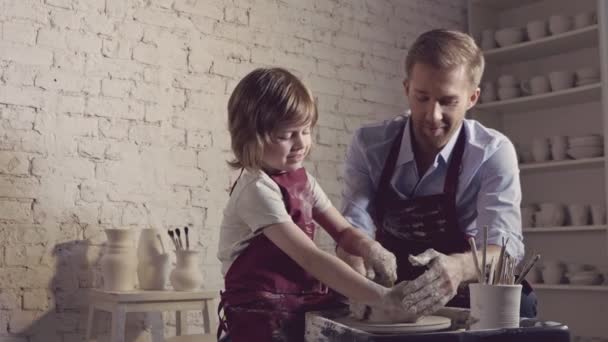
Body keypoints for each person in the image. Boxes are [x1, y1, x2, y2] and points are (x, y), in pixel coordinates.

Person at [216, 67, 432, 342]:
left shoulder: (303, 182)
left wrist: (373, 249)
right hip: (257, 316)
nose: (300, 144)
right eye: (286, 135)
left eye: (305, 131)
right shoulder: (256, 189)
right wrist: (383, 298)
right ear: (250, 136)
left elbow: (343, 232)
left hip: (294, 304)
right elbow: (310, 257)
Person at [338, 29, 537, 317]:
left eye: (447, 101)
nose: (433, 115)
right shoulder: (370, 145)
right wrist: (358, 283)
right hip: (393, 283)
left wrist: (458, 268)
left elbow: (505, 250)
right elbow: (351, 230)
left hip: (462, 281)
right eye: (422, 97)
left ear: (472, 98)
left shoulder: (492, 151)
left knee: (522, 306)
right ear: (406, 88)